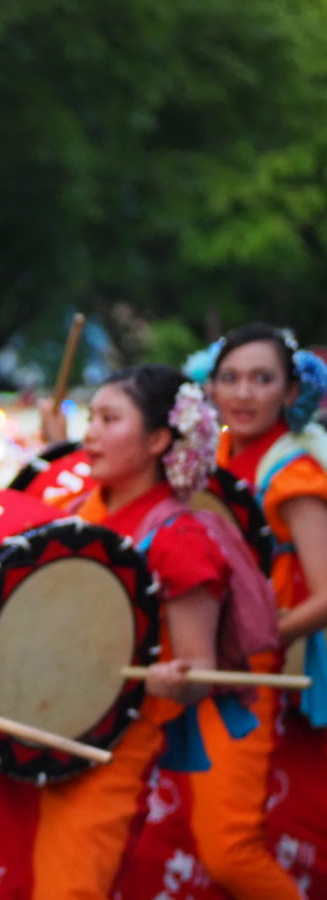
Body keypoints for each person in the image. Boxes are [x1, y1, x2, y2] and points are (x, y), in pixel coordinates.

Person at [0, 363, 229, 899]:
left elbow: (201, 667)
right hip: (32, 737)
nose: (91, 434)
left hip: (110, 751)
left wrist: (180, 676)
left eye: (109, 419)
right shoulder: (75, 514)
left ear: (157, 439)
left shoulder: (181, 536)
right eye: (92, 418)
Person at [196, 324, 327, 896]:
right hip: (212, 674)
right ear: (211, 389)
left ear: (291, 393)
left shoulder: (292, 475)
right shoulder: (213, 458)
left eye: (262, 379)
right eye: (230, 378)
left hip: (260, 681)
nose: (243, 394)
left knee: (234, 852)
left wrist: (254, 642)